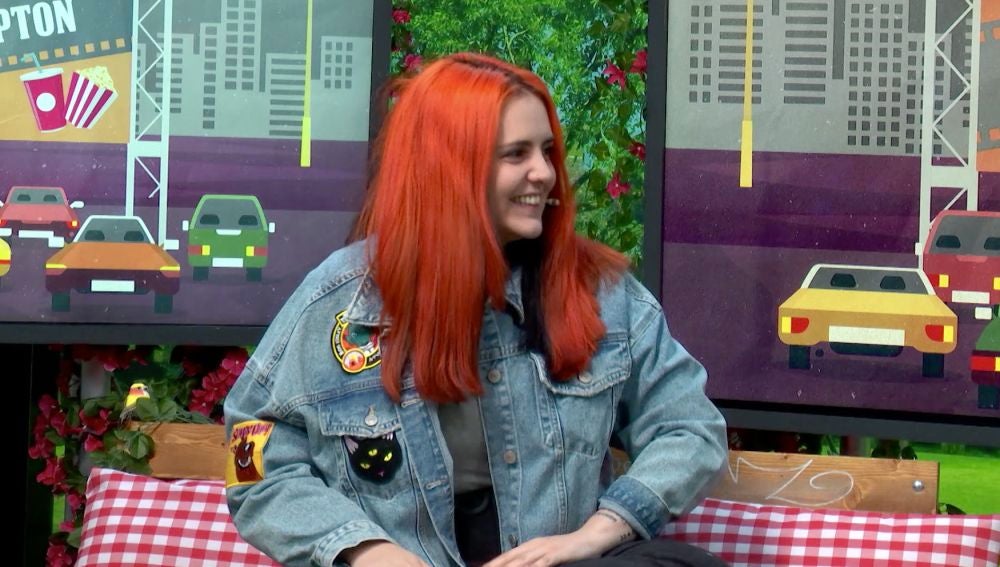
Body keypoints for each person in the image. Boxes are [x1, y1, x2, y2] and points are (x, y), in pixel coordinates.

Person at [224, 52, 728, 567]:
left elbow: (689, 428)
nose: (545, 173)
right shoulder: (341, 301)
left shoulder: (602, 294)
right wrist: (366, 550)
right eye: (516, 154)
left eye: (547, 151)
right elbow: (255, 464)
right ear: (450, 167)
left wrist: (596, 534)